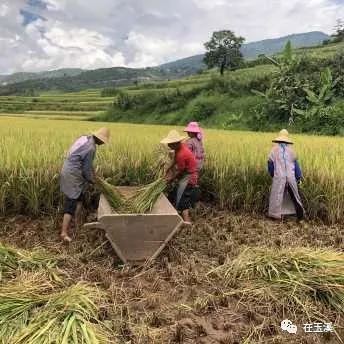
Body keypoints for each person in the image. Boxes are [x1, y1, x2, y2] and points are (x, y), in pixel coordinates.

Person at [60, 127, 110, 242]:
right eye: (103, 141)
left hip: (68, 170)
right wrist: (94, 181)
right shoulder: (91, 148)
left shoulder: (84, 138)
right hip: (73, 175)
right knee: (71, 203)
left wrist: (95, 175)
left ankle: (78, 225)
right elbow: (86, 170)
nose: (102, 143)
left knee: (79, 199)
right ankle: (64, 232)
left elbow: (86, 163)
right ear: (100, 139)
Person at [161, 130, 198, 225]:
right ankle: (177, 213)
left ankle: (187, 222)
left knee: (183, 199)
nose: (169, 146)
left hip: (189, 178)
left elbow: (179, 171)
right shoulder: (180, 148)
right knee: (177, 194)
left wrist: (170, 179)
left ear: (176, 143)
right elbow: (175, 160)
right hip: (186, 175)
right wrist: (168, 168)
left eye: (170, 144)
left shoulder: (182, 154)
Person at [267, 129, 304, 221]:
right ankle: (298, 214)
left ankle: (275, 215)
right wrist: (298, 177)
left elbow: (270, 165)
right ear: (287, 140)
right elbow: (296, 165)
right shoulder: (292, 151)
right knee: (294, 195)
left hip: (279, 177)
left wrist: (273, 175)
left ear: (278, 140)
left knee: (277, 195)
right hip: (290, 177)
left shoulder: (273, 151)